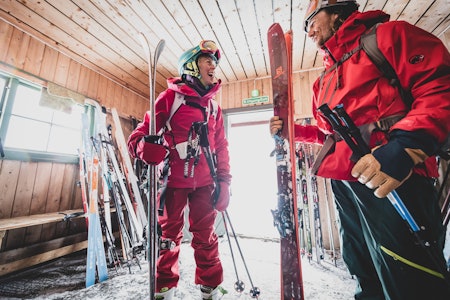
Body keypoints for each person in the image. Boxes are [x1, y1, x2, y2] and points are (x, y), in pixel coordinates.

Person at [270, 0, 450, 299]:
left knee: (406, 271)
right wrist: (294, 132)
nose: (309, 30)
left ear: (338, 13)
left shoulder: (387, 37)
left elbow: (438, 85)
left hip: (393, 174)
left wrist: (407, 146)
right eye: (305, 26)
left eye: (312, 20)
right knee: (362, 264)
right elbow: (330, 134)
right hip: (346, 182)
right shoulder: (323, 81)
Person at [127, 40, 231, 300]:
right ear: (191, 67)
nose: (213, 66)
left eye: (215, 62)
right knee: (168, 238)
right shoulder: (170, 98)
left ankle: (210, 286)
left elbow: (221, 148)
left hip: (205, 184)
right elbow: (138, 135)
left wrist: (225, 181)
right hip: (172, 182)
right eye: (207, 61)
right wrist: (144, 148)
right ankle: (164, 287)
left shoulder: (214, 108)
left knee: (206, 237)